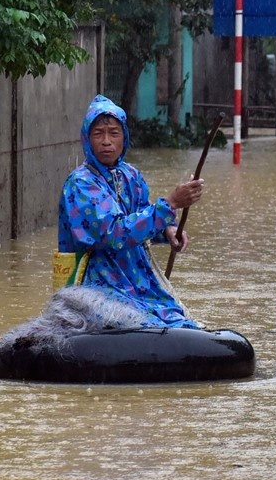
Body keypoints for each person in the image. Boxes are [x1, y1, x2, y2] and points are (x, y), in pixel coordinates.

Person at [57, 94, 204, 329]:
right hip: (96, 282)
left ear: (124, 138)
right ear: (87, 139)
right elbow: (114, 233)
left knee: (179, 323)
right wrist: (170, 204)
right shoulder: (80, 184)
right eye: (98, 134)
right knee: (138, 326)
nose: (107, 141)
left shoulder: (131, 176)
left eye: (114, 133)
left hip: (137, 279)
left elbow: (142, 217)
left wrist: (167, 231)